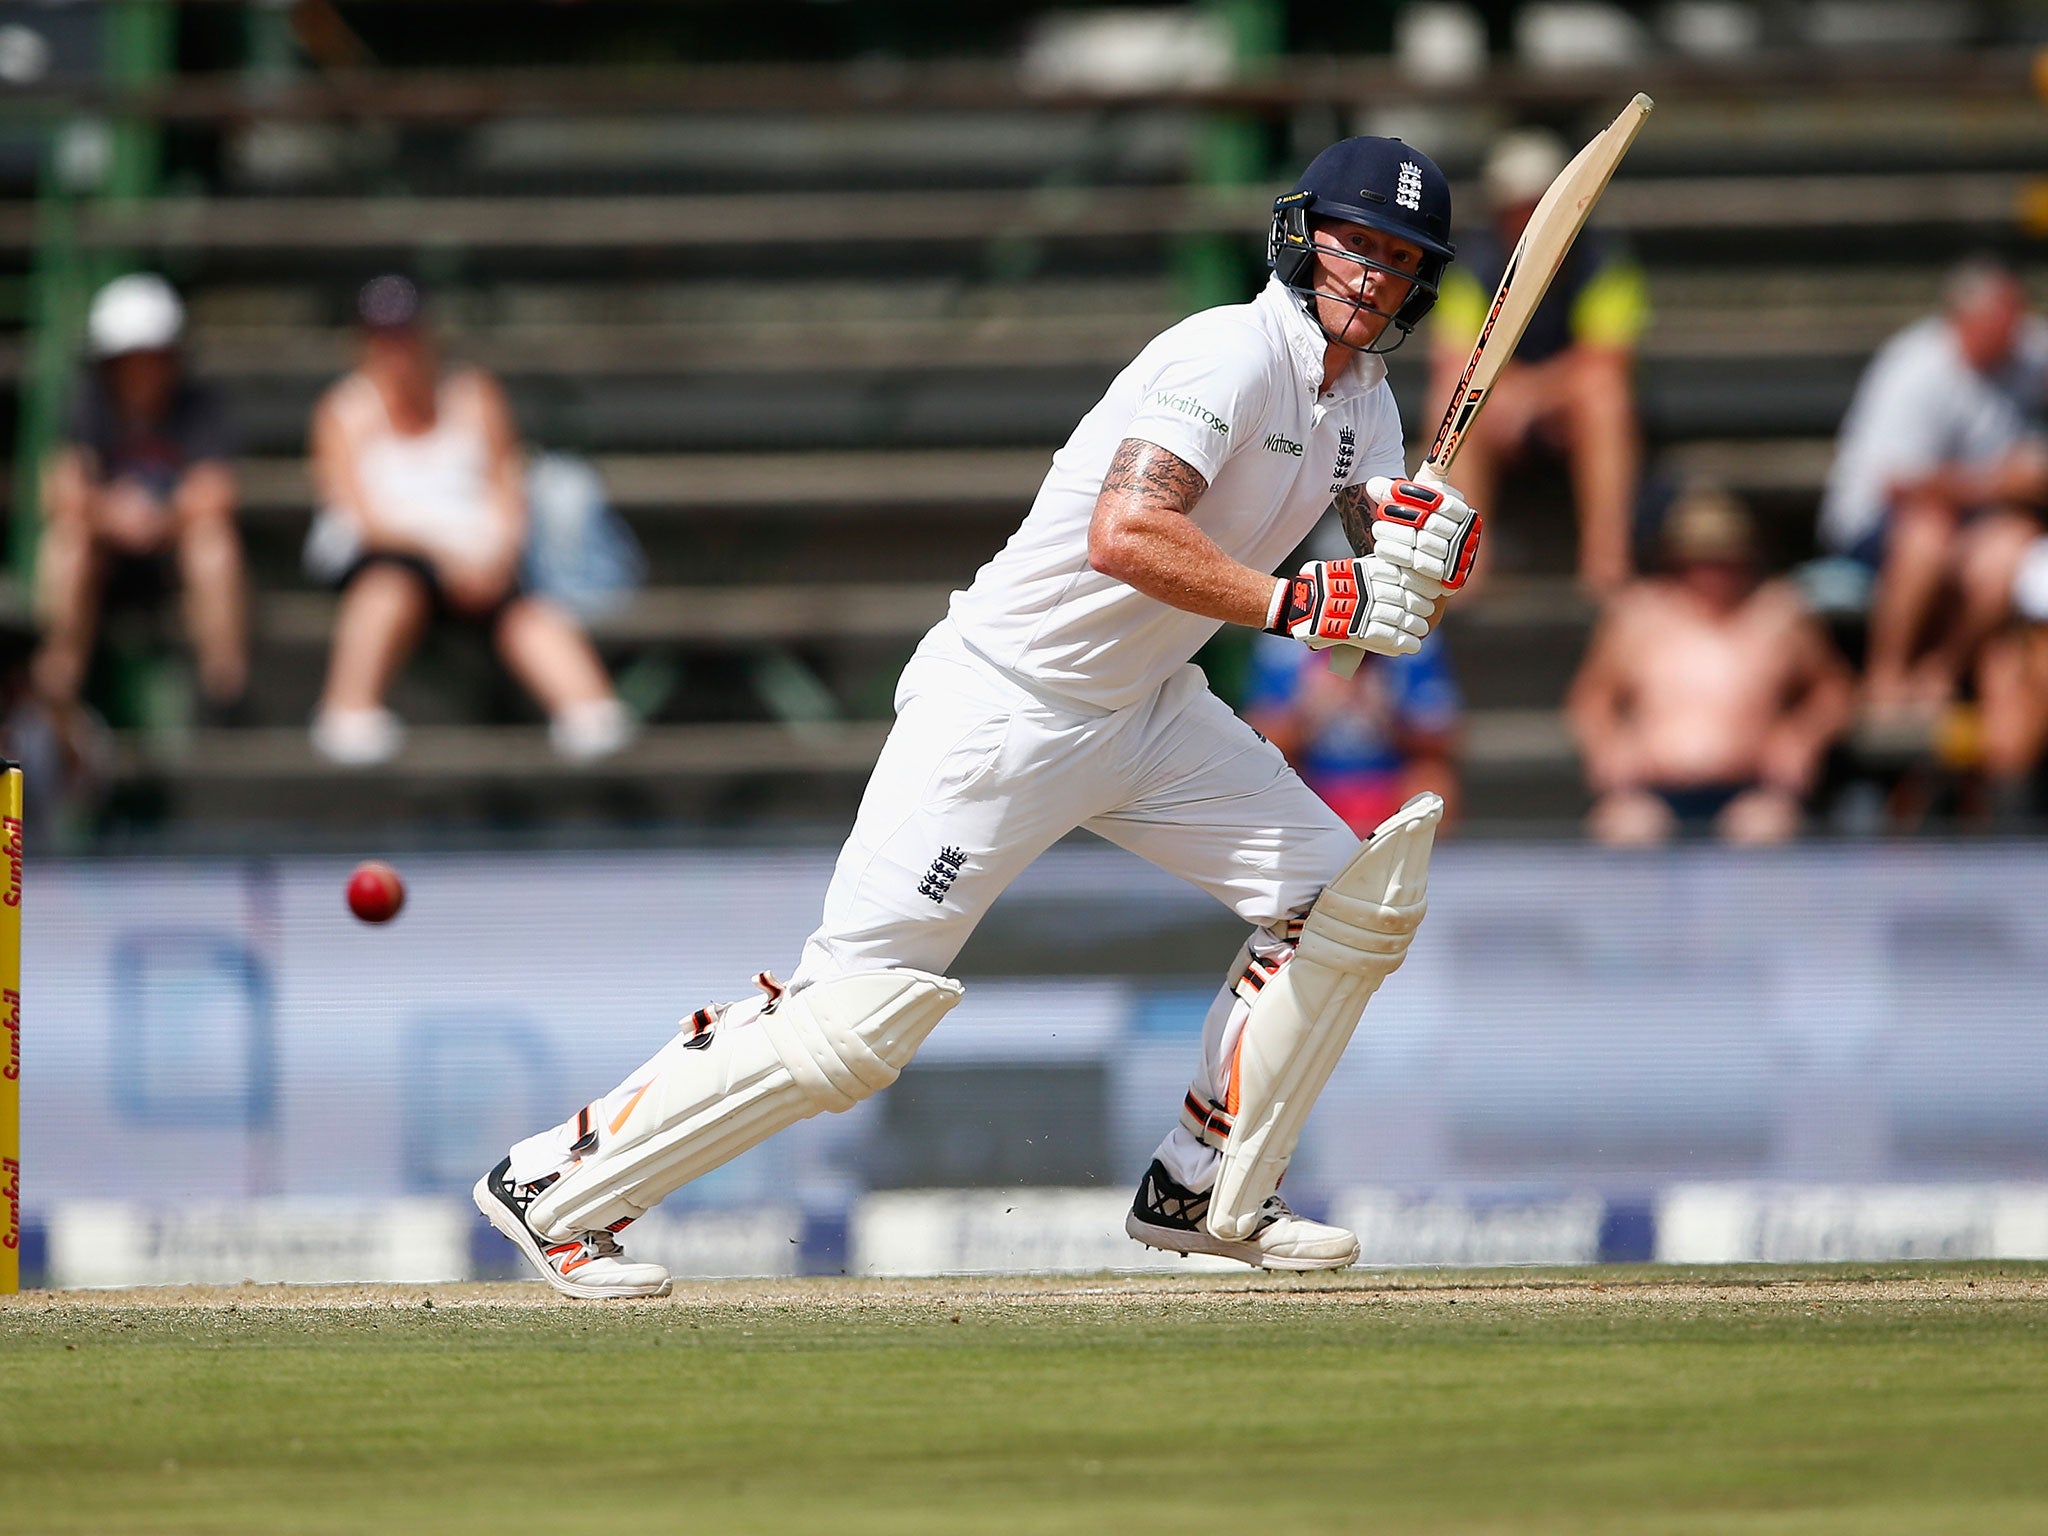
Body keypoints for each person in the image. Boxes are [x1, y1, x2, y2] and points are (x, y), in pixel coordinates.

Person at [472, 138, 1488, 1298]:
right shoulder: (1224, 353)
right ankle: (553, 1185)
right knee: (856, 1023)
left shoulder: (1362, 401)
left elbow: (1371, 556)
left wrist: (1425, 546)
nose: (1375, 274)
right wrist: (1293, 599)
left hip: (1147, 711)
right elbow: (1127, 533)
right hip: (1005, 705)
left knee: (1343, 903)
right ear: (1303, 237)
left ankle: (1209, 1189)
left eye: (1401, 259)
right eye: (1358, 243)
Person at [304, 276, 633, 765]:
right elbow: (359, 516)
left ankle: (592, 718)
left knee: (531, 616)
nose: (397, 349)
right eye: (383, 336)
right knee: (387, 591)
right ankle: (348, 709)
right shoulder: (342, 412)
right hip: (396, 558)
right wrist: (441, 557)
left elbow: (508, 484)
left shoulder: (475, 394)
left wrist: (498, 555)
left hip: (484, 560)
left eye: (406, 333)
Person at [1819, 259, 2048, 713]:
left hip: (1978, 525)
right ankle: (1886, 674)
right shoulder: (1915, 369)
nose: (2013, 336)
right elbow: (1899, 485)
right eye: (2001, 326)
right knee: (1928, 533)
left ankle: (1942, 670)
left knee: (2013, 547)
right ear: (1962, 321)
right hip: (1877, 526)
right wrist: (1998, 483)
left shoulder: (2030, 353)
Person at [1427, 128, 1648, 594]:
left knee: (1603, 395)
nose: (1530, 216)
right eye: (1519, 205)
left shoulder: (1605, 262)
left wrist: (1527, 395)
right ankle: (1465, 568)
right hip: (1495, 411)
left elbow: (1607, 359)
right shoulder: (1472, 264)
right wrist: (1511, 397)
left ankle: (1606, 563)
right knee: (1450, 392)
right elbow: (1454, 356)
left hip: (1564, 410)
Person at [1568, 488, 1854, 846]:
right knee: (1626, 831)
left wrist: (1803, 737)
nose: (1713, 574)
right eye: (1700, 560)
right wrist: (1608, 745)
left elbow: (1834, 688)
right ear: (1677, 559)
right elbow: (1593, 695)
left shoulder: (1779, 612)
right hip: (1652, 789)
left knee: (1766, 832)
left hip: (1751, 787)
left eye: (1725, 561)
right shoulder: (1639, 614)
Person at [33, 273, 247, 723]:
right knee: (65, 544)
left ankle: (224, 687)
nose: (142, 369)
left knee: (214, 545)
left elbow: (217, 493)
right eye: (130, 358)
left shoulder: (200, 404)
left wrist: (161, 518)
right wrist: (113, 516)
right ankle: (58, 676)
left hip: (173, 555)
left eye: (153, 357)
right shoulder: (86, 403)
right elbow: (59, 489)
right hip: (105, 557)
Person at [1241, 619, 1463, 836]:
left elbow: (1441, 739)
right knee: (1264, 779)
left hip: (1388, 779)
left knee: (1432, 782)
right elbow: (1260, 739)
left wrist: (1386, 711)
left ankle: (1421, 867)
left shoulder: (1415, 637)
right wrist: (1312, 710)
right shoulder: (1284, 642)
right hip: (1313, 779)